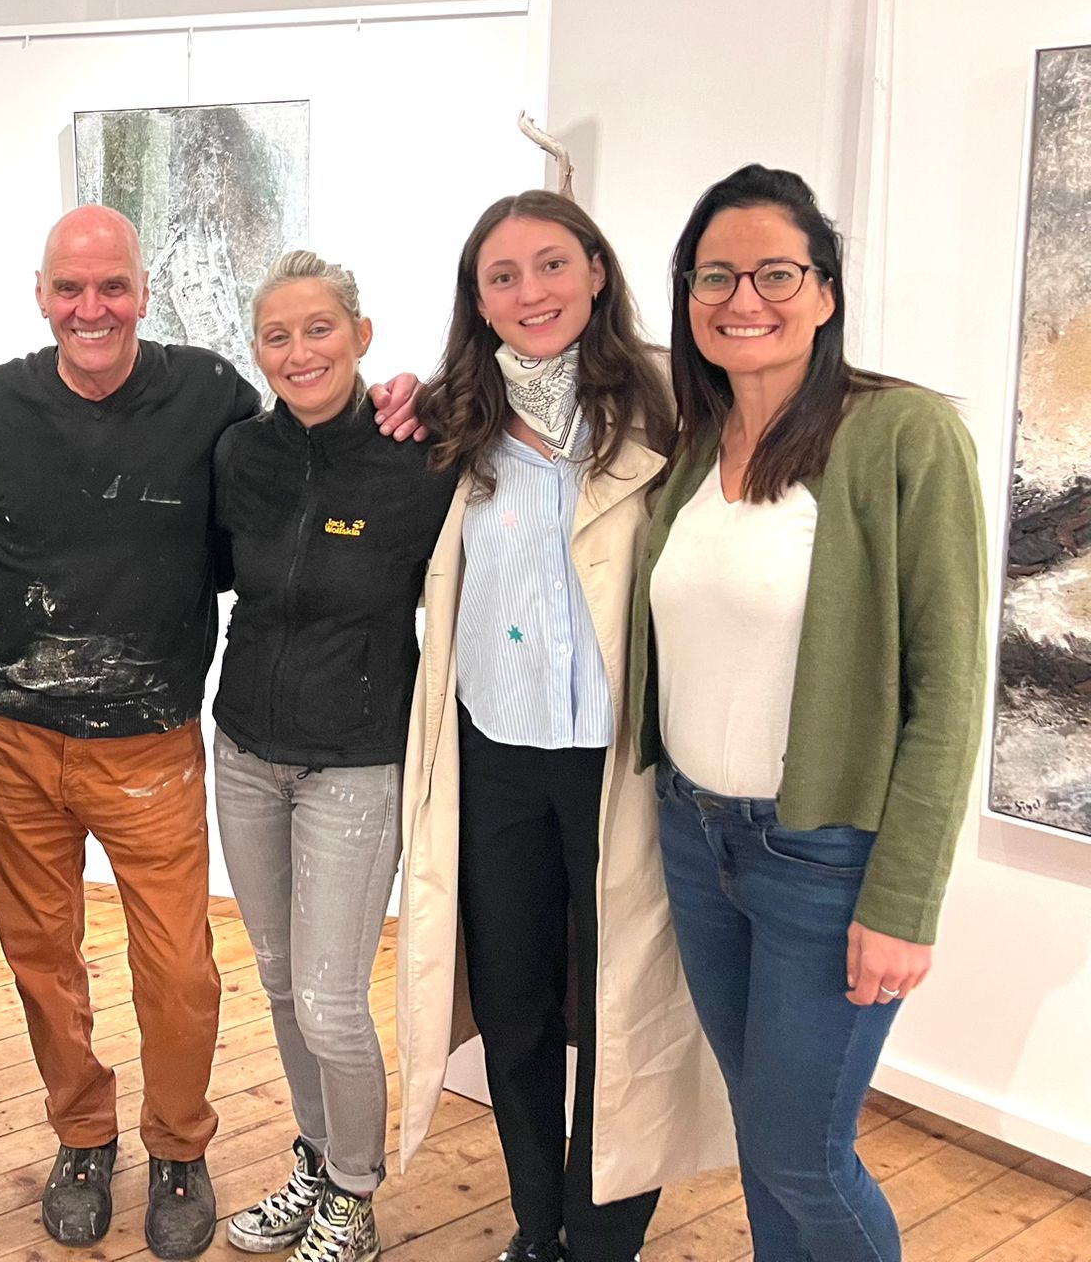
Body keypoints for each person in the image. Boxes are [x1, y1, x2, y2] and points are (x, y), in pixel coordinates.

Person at [0, 206, 420, 1260]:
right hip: (10, 736)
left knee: (178, 968)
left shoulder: (210, 396)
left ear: (142, 292)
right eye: (69, 288)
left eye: (111, 286)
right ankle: (82, 1136)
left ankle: (178, 1145)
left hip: (150, 741)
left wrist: (413, 395)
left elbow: (303, 460)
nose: (91, 308)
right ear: (40, 296)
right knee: (41, 961)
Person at [631, 165, 987, 1261]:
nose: (743, 299)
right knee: (762, 1136)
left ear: (824, 292)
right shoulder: (693, 446)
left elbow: (948, 687)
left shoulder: (902, 434)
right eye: (715, 277)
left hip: (823, 858)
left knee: (803, 1156)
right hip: (696, 838)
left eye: (775, 274)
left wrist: (904, 899)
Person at [396, 191, 734, 1262]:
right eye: (501, 276)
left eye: (550, 264)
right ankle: (537, 1226)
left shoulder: (672, 411)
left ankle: (601, 1237)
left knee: (622, 1005)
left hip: (618, 766)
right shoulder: (452, 421)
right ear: (478, 297)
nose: (529, 291)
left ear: (594, 271)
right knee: (516, 1008)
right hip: (495, 759)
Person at [213, 252, 456, 1262]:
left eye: (319, 329)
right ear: (256, 351)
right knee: (277, 981)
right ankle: (316, 1161)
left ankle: (354, 1196)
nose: (298, 351)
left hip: (356, 765)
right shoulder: (240, 454)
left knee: (328, 1000)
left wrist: (428, 399)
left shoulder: (419, 459)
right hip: (243, 753)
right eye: (276, 335)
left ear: (360, 336)